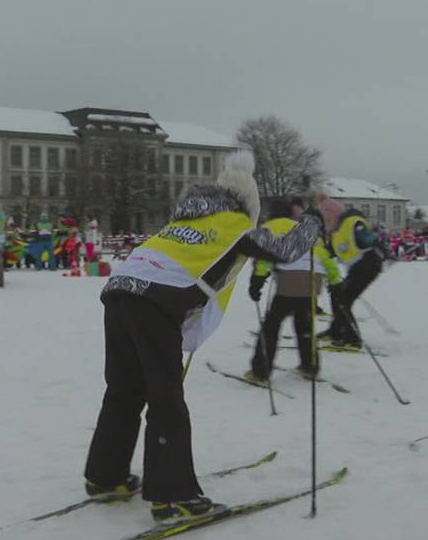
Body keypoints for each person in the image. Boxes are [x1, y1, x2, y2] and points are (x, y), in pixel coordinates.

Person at [84, 151, 337, 524]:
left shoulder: (183, 222)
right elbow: (284, 250)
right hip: (156, 300)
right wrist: (313, 223)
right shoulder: (233, 224)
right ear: (245, 205)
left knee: (124, 390)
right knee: (165, 396)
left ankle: (105, 476)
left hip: (121, 289)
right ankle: (174, 498)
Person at [246, 196, 335, 381]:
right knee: (304, 324)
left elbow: (265, 256)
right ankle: (310, 366)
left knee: (271, 326)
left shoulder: (270, 227)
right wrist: (335, 280)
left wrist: (257, 280)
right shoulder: (302, 228)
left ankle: (260, 371)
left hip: (289, 279)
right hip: (313, 278)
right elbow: (323, 253)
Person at [317, 205, 385, 349]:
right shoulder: (337, 232)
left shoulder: (352, 221)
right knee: (338, 296)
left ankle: (352, 340)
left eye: (327, 220)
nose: (326, 224)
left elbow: (369, 238)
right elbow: (329, 253)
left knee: (343, 301)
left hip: (368, 265)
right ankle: (336, 331)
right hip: (357, 268)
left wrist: (380, 246)